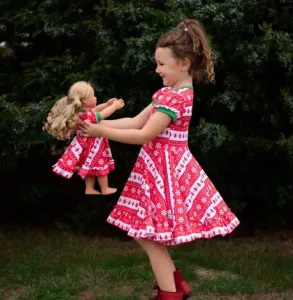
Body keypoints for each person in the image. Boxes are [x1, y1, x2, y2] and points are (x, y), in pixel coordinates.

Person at [80, 19, 240, 300]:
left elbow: (144, 134)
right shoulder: (168, 94)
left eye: (162, 64)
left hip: (165, 174)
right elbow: (133, 121)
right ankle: (176, 286)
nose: (157, 70)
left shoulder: (177, 99)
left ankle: (172, 293)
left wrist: (100, 130)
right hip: (156, 169)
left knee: (149, 237)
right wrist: (93, 126)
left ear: (184, 63)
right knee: (146, 235)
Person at [43, 81, 125, 195]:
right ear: (85, 101)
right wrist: (114, 107)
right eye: (93, 96)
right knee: (100, 166)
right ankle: (105, 189)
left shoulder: (80, 113)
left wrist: (107, 104)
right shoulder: (87, 115)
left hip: (86, 146)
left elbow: (96, 109)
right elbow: (101, 114)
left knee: (89, 167)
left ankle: (89, 189)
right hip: (94, 146)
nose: (96, 98)